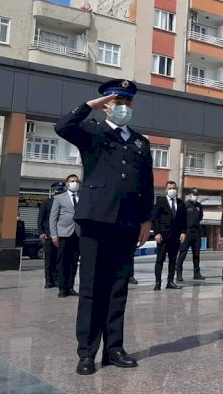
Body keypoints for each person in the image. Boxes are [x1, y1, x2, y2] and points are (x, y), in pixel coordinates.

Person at [54, 78, 153, 376]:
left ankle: (114, 349)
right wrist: (91, 106)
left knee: (118, 288)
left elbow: (146, 183)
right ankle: (86, 352)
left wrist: (146, 219)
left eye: (127, 102)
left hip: (126, 222)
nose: (123, 107)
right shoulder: (92, 131)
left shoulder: (139, 141)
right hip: (96, 219)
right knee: (92, 288)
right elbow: (63, 127)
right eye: (117, 101)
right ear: (107, 105)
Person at [50, 175, 82, 298]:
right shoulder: (59, 198)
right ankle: (62, 288)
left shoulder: (82, 197)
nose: (75, 183)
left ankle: (70, 286)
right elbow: (53, 218)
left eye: (76, 181)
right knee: (63, 261)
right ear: (67, 183)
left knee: (74, 262)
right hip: (63, 233)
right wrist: (54, 235)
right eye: (72, 181)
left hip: (77, 233)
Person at [152, 181, 187, 291]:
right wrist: (156, 233)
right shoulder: (160, 202)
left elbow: (183, 220)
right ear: (166, 190)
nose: (172, 190)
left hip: (175, 236)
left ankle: (170, 282)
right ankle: (158, 283)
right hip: (162, 236)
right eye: (170, 188)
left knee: (173, 260)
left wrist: (183, 232)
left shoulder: (181, 203)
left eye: (174, 188)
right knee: (160, 260)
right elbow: (155, 218)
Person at [38, 182, 65, 289]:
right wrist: (41, 233)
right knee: (49, 259)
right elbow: (41, 218)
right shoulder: (46, 202)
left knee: (59, 259)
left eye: (60, 189)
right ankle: (49, 281)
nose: (58, 191)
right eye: (57, 190)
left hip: (61, 234)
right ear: (53, 191)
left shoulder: (65, 203)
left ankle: (57, 280)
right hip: (48, 235)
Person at [177, 188, 205, 282]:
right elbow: (180, 219)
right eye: (193, 194)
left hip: (196, 232)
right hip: (187, 232)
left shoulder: (199, 206)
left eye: (196, 195)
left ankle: (197, 273)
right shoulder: (185, 205)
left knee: (196, 254)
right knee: (182, 253)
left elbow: (200, 217)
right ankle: (179, 274)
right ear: (189, 195)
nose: (195, 196)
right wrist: (182, 232)